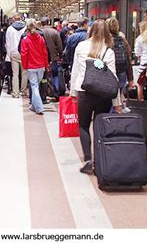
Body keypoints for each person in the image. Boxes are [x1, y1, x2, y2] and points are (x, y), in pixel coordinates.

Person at [70, 19, 122, 175]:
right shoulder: (109, 51)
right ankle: (99, 160)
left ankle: (87, 159)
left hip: (84, 91)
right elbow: (113, 80)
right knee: (99, 126)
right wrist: (117, 102)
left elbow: (75, 71)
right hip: (103, 94)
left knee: (83, 125)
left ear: (91, 30)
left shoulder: (81, 46)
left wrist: (73, 93)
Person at [21, 20, 49, 115]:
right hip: (41, 67)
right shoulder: (41, 39)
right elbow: (45, 53)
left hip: (31, 67)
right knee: (37, 85)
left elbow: (24, 54)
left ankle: (39, 108)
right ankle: (33, 106)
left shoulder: (25, 40)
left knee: (34, 87)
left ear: (27, 29)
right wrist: (46, 65)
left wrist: (24, 66)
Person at [106, 17, 134, 91]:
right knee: (119, 92)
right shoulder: (122, 40)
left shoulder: (104, 40)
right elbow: (128, 58)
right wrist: (130, 78)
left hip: (108, 71)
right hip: (122, 69)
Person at [5, 13, 27, 98]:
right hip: (23, 53)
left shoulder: (9, 29)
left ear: (14, 19)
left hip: (13, 53)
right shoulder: (25, 28)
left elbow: (8, 43)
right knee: (24, 73)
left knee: (15, 74)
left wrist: (9, 54)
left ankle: (16, 93)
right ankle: (23, 91)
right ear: (21, 18)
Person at [41, 17, 63, 99]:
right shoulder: (54, 32)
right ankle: (56, 92)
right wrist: (60, 55)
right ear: (49, 22)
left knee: (44, 76)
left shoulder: (39, 32)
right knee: (55, 75)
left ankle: (45, 92)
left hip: (42, 58)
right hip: (53, 57)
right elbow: (60, 45)